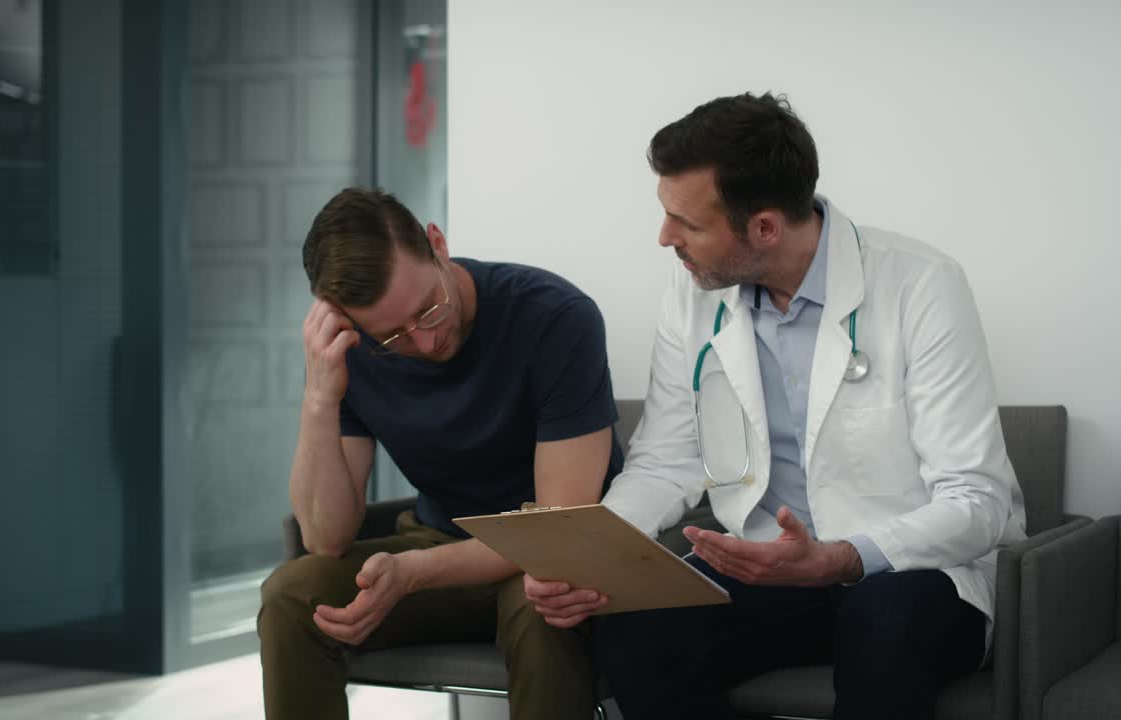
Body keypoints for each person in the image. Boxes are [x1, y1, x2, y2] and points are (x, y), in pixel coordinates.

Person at [524, 93, 1026, 719]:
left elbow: (976, 499)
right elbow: (666, 462)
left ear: (764, 227)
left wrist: (841, 557)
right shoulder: (693, 293)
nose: (665, 238)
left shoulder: (920, 284)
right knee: (639, 630)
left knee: (882, 621)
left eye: (687, 223)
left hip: (913, 571)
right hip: (767, 567)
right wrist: (587, 558)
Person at [257, 188, 624, 720]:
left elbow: (555, 530)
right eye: (393, 336)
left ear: (437, 243)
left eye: (428, 309)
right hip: (439, 542)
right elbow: (324, 538)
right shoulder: (353, 350)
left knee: (545, 610)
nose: (425, 342)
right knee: (290, 597)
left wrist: (414, 572)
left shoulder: (553, 317)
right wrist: (319, 397)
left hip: (544, 559)